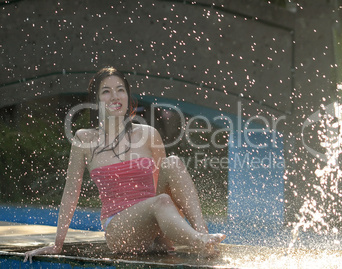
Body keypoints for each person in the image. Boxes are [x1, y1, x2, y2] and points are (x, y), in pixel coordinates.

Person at [24, 67, 225, 263]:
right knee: (161, 201)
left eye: (120, 90)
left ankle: (204, 239)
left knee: (173, 163)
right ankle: (199, 241)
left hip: (154, 219)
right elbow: (70, 192)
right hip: (120, 230)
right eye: (106, 91)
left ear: (128, 96)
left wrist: (163, 229)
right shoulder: (84, 139)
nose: (115, 96)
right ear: (96, 100)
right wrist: (58, 244)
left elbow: (161, 185)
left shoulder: (148, 134)